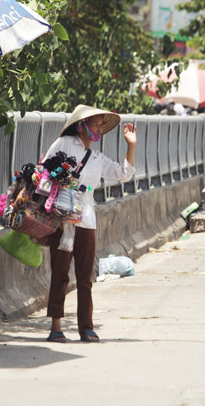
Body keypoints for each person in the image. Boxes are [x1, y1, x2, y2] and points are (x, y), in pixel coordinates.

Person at [43, 105, 137, 343]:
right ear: (82, 124)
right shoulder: (63, 144)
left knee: (85, 277)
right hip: (62, 219)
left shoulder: (97, 158)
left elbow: (123, 174)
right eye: (96, 124)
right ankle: (56, 327)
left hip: (86, 219)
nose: (99, 129)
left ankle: (86, 327)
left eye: (101, 125)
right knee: (60, 273)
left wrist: (131, 145)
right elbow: (43, 169)